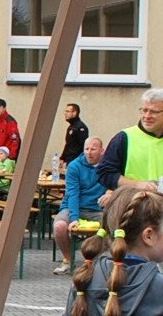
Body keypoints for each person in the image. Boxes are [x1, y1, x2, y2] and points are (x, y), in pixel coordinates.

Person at [52, 137, 108, 274]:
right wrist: (74, 218)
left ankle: (101, 262)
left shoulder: (108, 166)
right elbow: (73, 194)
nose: (89, 152)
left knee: (114, 225)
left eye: (93, 149)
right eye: (86, 149)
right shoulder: (74, 166)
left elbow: (114, 186)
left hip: (97, 209)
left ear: (102, 151)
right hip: (73, 206)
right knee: (59, 226)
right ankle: (68, 260)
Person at [97, 88, 163, 194]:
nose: (147, 116)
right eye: (144, 110)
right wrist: (137, 184)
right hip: (133, 205)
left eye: (154, 112)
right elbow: (105, 174)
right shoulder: (124, 138)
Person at [62, 102, 88, 166]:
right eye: (65, 111)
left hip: (76, 162)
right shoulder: (71, 127)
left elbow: (83, 146)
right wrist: (62, 158)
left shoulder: (80, 127)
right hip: (69, 161)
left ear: (74, 113)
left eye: (68, 111)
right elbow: (68, 144)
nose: (65, 114)